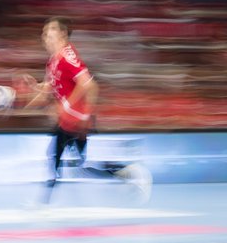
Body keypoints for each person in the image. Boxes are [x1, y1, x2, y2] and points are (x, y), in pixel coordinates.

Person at [17, 17, 150, 205]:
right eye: (44, 32)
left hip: (75, 119)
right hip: (69, 120)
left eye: (51, 30)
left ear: (63, 34)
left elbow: (88, 83)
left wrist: (72, 109)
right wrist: (34, 89)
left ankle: (42, 203)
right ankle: (126, 172)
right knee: (83, 165)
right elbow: (51, 87)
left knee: (54, 156)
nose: (46, 35)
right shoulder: (53, 61)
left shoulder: (66, 56)